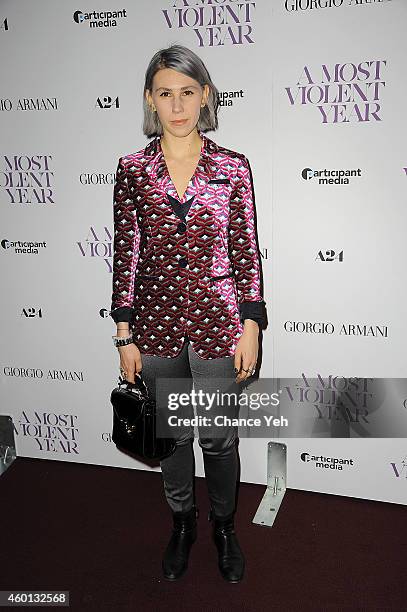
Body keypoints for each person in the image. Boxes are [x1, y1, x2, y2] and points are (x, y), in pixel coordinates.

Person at [109, 44, 266, 583]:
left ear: (204, 98)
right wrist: (124, 334)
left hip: (219, 325)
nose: (177, 105)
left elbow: (245, 250)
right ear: (151, 101)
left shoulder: (233, 168)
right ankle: (183, 521)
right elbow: (125, 254)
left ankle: (224, 525)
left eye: (187, 92)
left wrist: (251, 324)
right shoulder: (132, 170)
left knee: (218, 438)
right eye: (165, 93)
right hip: (153, 329)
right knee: (171, 436)